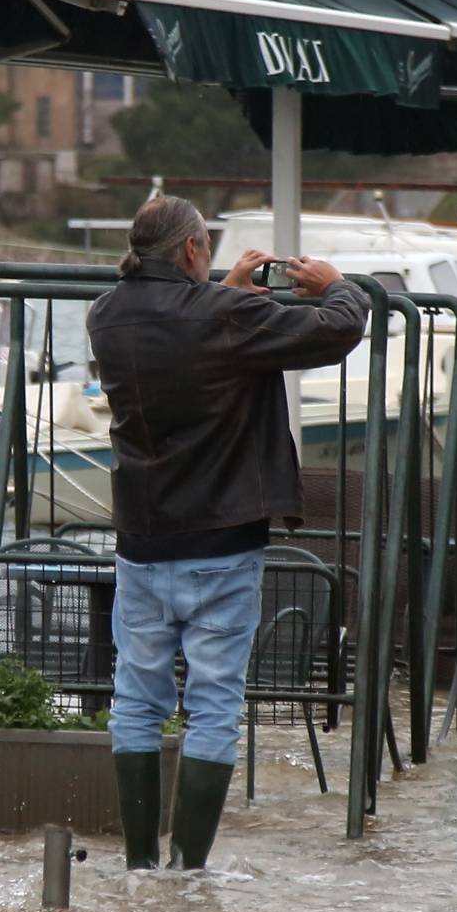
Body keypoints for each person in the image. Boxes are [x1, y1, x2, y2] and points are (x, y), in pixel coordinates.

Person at [87, 196, 370, 870]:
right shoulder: (224, 314)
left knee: (137, 699)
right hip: (221, 540)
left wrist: (220, 292)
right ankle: (188, 870)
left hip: (142, 539)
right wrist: (338, 286)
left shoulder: (106, 313)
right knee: (213, 703)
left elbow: (180, 331)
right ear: (190, 251)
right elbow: (333, 332)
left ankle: (137, 865)